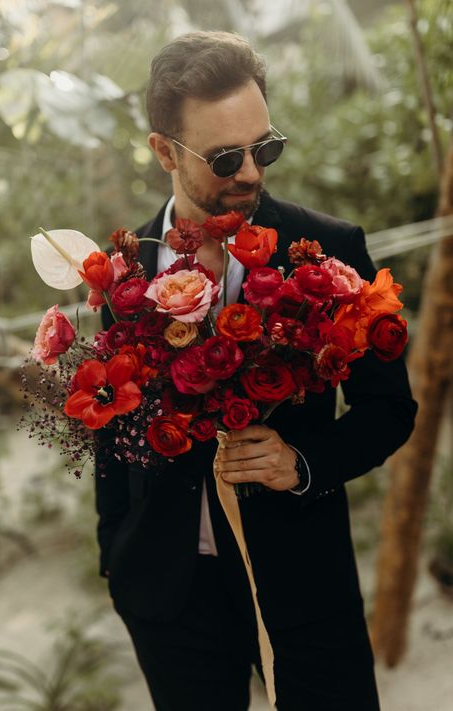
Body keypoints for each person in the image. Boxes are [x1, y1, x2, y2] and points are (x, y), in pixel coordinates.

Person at [95, 30, 417, 711]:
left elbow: (391, 409)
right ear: (162, 152)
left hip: (304, 584)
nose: (250, 173)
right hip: (169, 595)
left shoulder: (330, 250)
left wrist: (299, 460)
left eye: (264, 147)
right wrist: (116, 555)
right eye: (223, 156)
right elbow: (108, 427)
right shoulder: (121, 271)